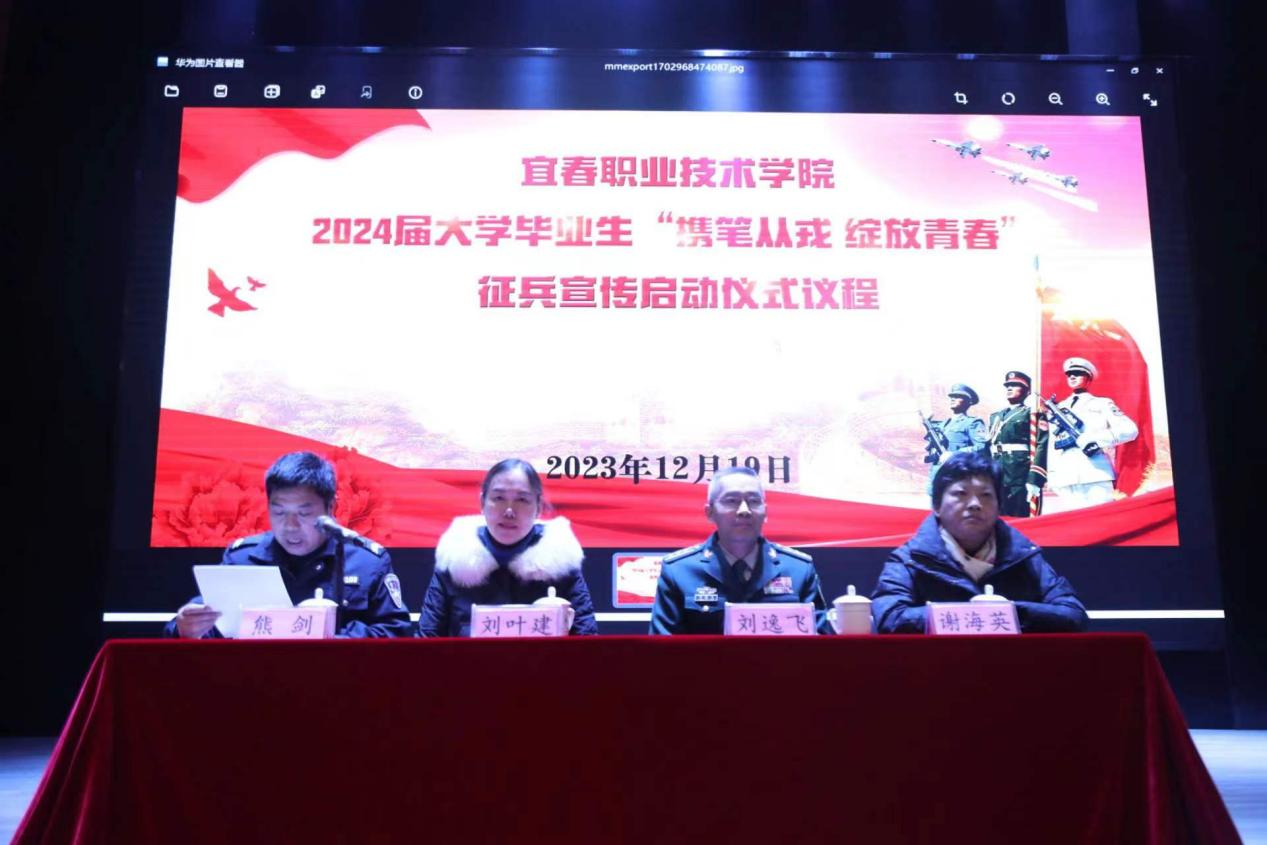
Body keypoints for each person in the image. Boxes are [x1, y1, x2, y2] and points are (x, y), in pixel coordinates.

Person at [166, 451, 413, 638]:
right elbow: (211, 626)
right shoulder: (242, 558)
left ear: (331, 507)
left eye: (304, 513)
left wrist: (331, 639)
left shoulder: (366, 561)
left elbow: (396, 630)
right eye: (279, 512)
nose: (290, 526)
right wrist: (186, 628)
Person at [872, 451, 1088, 634]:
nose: (975, 504)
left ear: (999, 506)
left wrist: (1006, 612)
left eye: (985, 495)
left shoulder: (1025, 556)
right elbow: (890, 618)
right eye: (961, 494)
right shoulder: (910, 559)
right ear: (937, 506)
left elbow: (1073, 615)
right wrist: (981, 616)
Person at [418, 458, 597, 637]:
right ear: (482, 502)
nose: (509, 511)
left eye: (522, 499)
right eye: (499, 498)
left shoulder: (561, 564)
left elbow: (587, 642)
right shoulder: (454, 561)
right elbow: (426, 641)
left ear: (539, 507)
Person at [649, 466, 831, 635]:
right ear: (710, 512)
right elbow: (661, 651)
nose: (744, 510)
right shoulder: (679, 571)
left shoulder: (798, 569)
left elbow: (821, 648)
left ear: (765, 512)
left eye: (753, 501)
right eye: (732, 501)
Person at [1047, 357, 1139, 508]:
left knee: (1102, 520)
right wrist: (1052, 475)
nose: (1072, 376)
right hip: (1066, 476)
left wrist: (1095, 439)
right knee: (1073, 522)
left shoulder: (1102, 403)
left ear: (1088, 378)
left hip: (1096, 473)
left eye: (1078, 373)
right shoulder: (1059, 409)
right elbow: (1053, 444)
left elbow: (1130, 430)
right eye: (1069, 374)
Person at [986, 370, 1049, 517]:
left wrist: (1035, 477)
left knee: (1022, 517)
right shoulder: (995, 416)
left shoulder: (1032, 413)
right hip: (997, 473)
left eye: (1015, 385)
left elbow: (1042, 444)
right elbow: (987, 448)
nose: (1009, 388)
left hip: (1020, 474)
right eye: (1008, 385)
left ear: (1027, 391)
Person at [924, 383, 989, 489]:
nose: (953, 399)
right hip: (937, 473)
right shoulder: (943, 424)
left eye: (958, 396)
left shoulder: (973, 423)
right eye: (952, 397)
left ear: (968, 402)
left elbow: (982, 447)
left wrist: (954, 454)